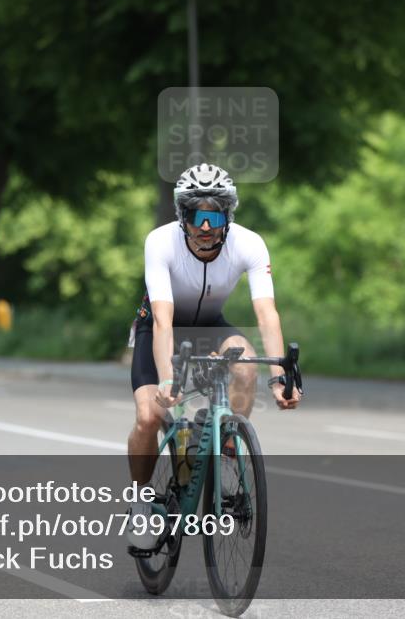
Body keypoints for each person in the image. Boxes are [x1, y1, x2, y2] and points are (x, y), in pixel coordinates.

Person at [125, 163, 301, 550]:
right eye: (196, 216)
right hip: (159, 326)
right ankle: (139, 502)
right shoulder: (160, 241)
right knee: (149, 416)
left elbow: (267, 314)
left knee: (245, 368)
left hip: (211, 325)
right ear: (182, 216)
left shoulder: (249, 243)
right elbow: (163, 318)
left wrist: (279, 377)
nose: (206, 227)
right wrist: (167, 379)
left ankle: (225, 451)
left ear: (228, 216)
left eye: (215, 217)